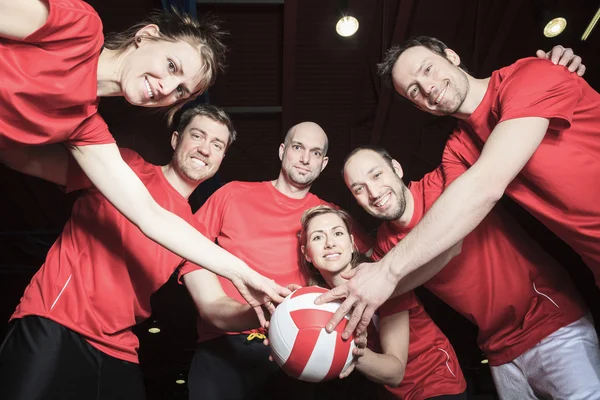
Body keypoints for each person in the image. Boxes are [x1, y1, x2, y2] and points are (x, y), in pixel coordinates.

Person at [0, 0, 287, 312]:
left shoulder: (83, 128)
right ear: (147, 36)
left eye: (181, 91)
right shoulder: (80, 28)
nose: (167, 88)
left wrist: (242, 273)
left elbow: (151, 214)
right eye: (172, 66)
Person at [314, 43, 591, 337]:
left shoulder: (529, 75)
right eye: (414, 91)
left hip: (548, 317)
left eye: (428, 69)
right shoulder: (458, 151)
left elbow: (484, 187)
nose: (428, 88)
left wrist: (387, 271)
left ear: (452, 56)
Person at [0, 104, 254, 400]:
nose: (205, 149)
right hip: (56, 323)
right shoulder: (125, 167)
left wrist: (265, 315)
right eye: (197, 136)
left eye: (217, 144)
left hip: (118, 350)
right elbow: (26, 159)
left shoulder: (193, 234)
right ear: (175, 140)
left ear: (222, 157)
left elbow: (214, 307)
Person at [342, 145, 600, 399]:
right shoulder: (384, 248)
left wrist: (389, 279)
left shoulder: (444, 181)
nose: (373, 192)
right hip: (498, 349)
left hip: (548, 320)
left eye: (376, 175)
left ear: (396, 168)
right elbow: (368, 292)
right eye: (359, 189)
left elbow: (452, 245)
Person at [179, 121, 374, 400]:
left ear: (324, 163)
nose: (306, 158)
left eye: (316, 153)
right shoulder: (232, 194)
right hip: (224, 344)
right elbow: (188, 248)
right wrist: (212, 306)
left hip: (300, 347)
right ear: (282, 151)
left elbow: (376, 263)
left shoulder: (330, 217)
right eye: (298, 147)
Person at [299, 205, 467, 400]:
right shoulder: (320, 301)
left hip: (435, 381)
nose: (330, 243)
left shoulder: (381, 279)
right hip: (390, 393)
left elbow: (395, 372)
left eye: (337, 233)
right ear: (307, 254)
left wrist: (344, 352)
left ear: (352, 243)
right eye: (318, 237)